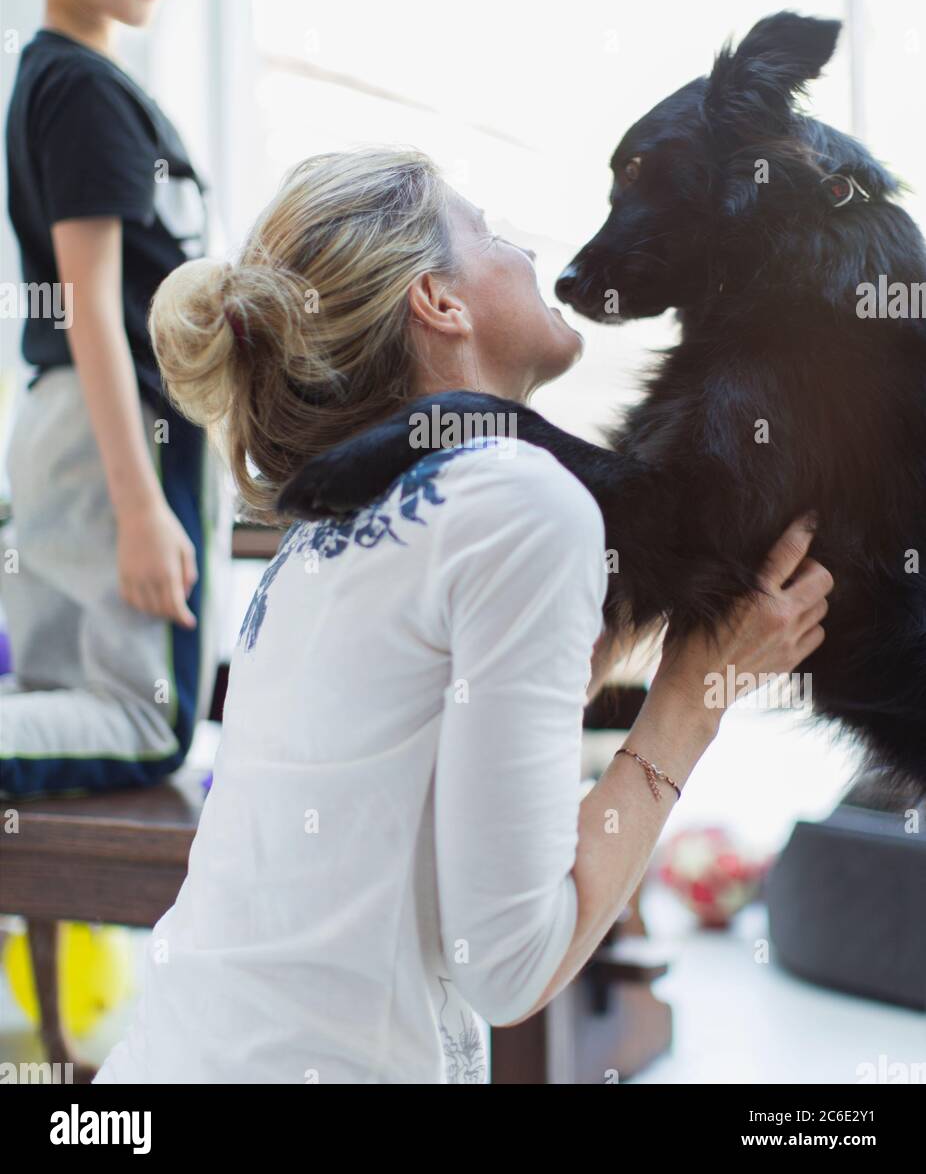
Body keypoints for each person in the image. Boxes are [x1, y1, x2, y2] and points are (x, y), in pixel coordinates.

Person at [91, 145, 833, 1084]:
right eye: (485, 230)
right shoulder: (522, 497)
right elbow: (511, 965)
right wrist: (695, 692)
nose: (522, 248)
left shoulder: (322, 532)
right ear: (439, 303)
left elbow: (441, 738)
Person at [0, 0, 232, 797]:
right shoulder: (86, 88)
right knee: (150, 723)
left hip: (68, 426)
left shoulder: (57, 80)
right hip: (115, 434)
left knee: (63, 693)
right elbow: (93, 306)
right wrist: (142, 508)